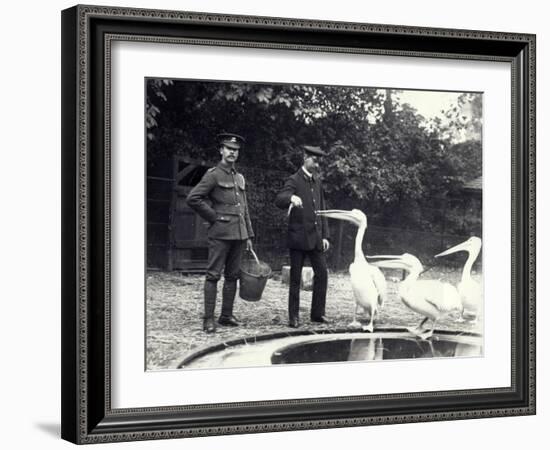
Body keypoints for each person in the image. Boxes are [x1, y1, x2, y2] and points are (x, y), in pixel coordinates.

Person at [186, 133, 254, 333]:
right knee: (213, 275)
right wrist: (214, 217)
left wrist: (249, 235)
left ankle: (226, 315)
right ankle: (208, 319)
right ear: (221, 150)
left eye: (236, 150)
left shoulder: (239, 177)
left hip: (239, 235)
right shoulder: (213, 174)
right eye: (229, 148)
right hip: (220, 234)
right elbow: (193, 198)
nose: (232, 152)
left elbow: (245, 208)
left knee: (232, 276)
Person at [275, 145, 330, 328]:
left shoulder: (317, 181)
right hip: (298, 238)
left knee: (322, 274)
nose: (317, 163)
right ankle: (294, 317)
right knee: (296, 279)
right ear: (305, 157)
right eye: (314, 159)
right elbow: (280, 198)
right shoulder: (294, 179)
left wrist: (325, 236)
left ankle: (317, 314)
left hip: (315, 238)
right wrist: (291, 198)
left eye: (319, 161)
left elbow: (321, 210)